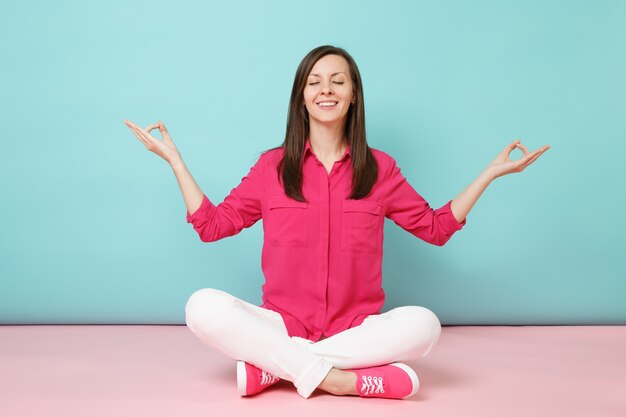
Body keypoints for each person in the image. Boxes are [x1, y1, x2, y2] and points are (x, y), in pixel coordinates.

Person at [124, 45, 550, 400]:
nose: (326, 90)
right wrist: (175, 162)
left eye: (338, 81)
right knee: (201, 306)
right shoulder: (271, 168)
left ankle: (277, 369)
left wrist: (489, 175)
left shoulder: (380, 169)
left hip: (356, 330)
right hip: (284, 325)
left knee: (425, 325)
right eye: (315, 82)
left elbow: (435, 229)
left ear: (353, 96)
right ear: (302, 97)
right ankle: (342, 380)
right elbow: (212, 225)